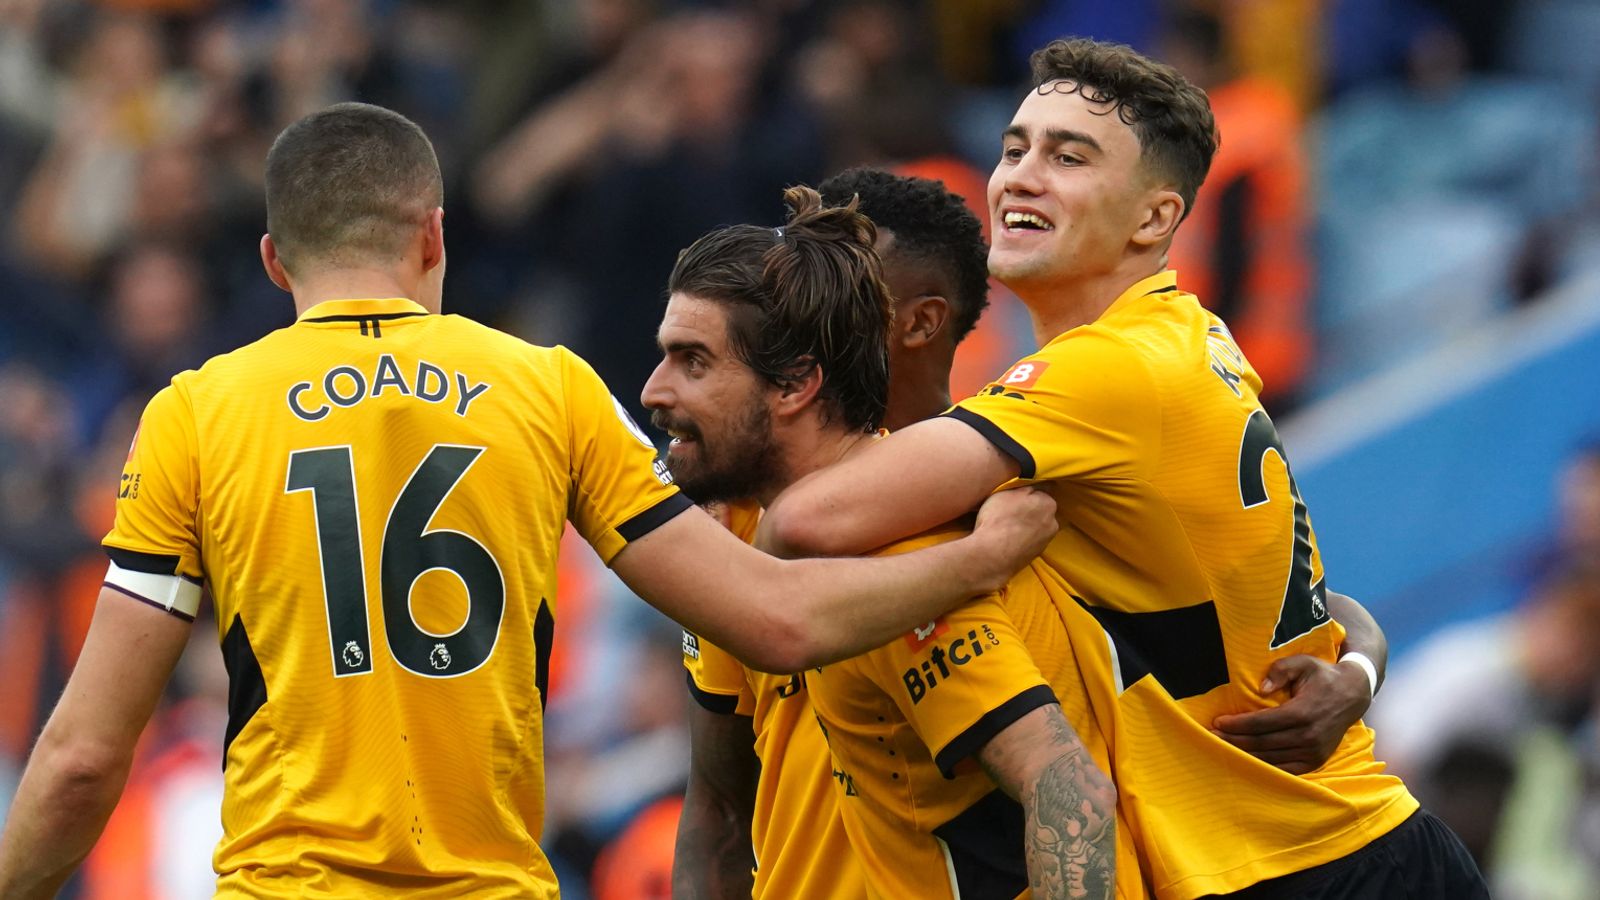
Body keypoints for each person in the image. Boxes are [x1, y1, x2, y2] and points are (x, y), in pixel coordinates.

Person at [0, 103, 1060, 899]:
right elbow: (775, 620)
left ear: (276, 260)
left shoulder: (195, 413)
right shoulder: (545, 386)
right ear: (434, 237)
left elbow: (85, 760)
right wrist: (972, 559)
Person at [760, 39, 1487, 898]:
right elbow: (1274, 595)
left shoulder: (1104, 374)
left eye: (1069, 158)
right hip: (1329, 851)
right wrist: (1361, 664)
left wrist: (974, 558)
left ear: (1153, 219)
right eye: (1015, 149)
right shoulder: (1184, 336)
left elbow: (802, 523)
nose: (1022, 177)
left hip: (1315, 867)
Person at [673, 168, 1392, 898]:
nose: (793, 306)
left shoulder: (1023, 497)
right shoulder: (738, 515)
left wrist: (1360, 665)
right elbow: (717, 808)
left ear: (918, 321)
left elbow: (1261, 600)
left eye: (835, 282)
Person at [649, 184, 1119, 898]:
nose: (654, 391)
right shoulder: (733, 532)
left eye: (693, 361)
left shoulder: (909, 553)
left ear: (797, 383)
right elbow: (717, 809)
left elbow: (1068, 788)